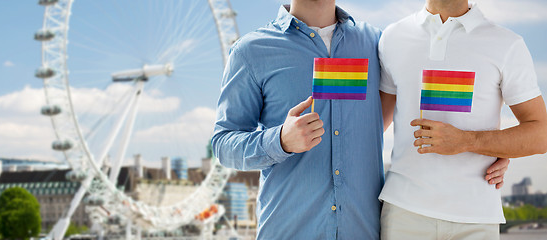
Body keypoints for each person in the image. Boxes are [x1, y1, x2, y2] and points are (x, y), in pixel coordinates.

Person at [212, 0, 507, 238]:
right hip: (288, 230)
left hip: (363, 230)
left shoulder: (377, 43)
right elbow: (223, 144)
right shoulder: (252, 51)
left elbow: (427, 99)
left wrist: (489, 148)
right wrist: (279, 140)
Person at [378, 0, 547, 239]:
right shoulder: (392, 37)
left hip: (476, 220)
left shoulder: (506, 44)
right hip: (404, 214)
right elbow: (372, 127)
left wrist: (468, 141)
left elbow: (541, 135)